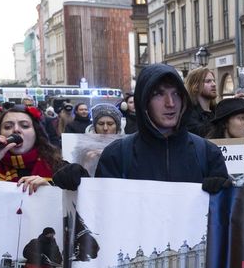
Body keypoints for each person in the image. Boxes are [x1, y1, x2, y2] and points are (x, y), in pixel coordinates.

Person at [95, 64, 228, 186]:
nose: (170, 103)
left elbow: (226, 210)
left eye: (176, 93)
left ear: (183, 99)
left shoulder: (208, 153)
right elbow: (101, 208)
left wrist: (224, 196)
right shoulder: (117, 155)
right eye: (158, 94)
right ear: (144, 101)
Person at [183, 67, 219, 137]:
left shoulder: (217, 110)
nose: (214, 84)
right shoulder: (187, 112)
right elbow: (201, 132)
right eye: (208, 81)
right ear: (195, 86)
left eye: (213, 81)